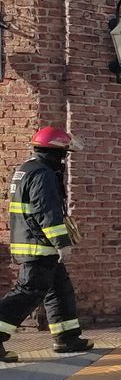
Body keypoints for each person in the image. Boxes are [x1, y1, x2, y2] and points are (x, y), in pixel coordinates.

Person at [0, 127, 93, 363]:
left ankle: (67, 337)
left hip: (33, 243)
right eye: (65, 154)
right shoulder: (43, 174)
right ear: (57, 153)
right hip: (38, 247)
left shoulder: (26, 169)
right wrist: (62, 242)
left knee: (59, 289)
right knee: (28, 292)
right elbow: (46, 212)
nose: (66, 159)